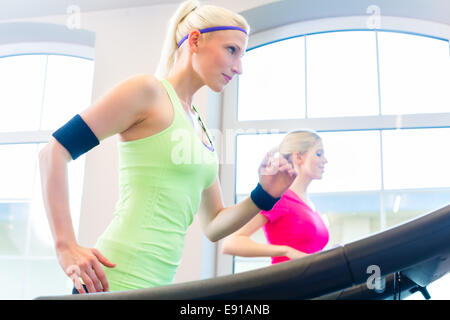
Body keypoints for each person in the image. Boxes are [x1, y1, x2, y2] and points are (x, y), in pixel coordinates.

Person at [38, 0, 297, 294]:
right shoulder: (147, 92)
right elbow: (53, 151)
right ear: (196, 40)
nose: (239, 68)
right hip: (114, 279)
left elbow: (213, 224)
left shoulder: (199, 127)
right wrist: (65, 246)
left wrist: (265, 195)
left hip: (159, 286)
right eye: (232, 50)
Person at [222, 130, 329, 264]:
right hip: (289, 281)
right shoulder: (281, 199)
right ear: (298, 157)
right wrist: (285, 251)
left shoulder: (308, 203)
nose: (325, 160)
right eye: (319, 154)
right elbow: (230, 242)